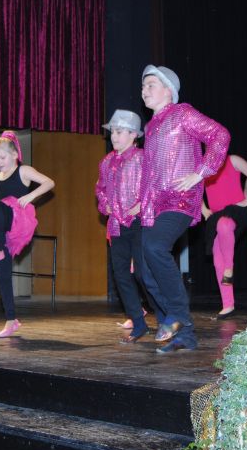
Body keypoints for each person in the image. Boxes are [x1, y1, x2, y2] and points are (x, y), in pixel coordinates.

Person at [139, 64, 230, 353]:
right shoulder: (150, 127)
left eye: (151, 85)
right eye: (143, 86)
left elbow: (220, 135)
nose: (144, 90)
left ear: (169, 91)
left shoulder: (182, 113)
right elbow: (149, 172)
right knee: (144, 270)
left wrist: (201, 172)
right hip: (154, 203)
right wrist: (143, 206)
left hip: (180, 198)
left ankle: (177, 314)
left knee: (155, 246)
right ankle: (184, 334)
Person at [0, 131, 55, 337]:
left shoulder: (23, 171)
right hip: (1, 226)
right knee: (3, 275)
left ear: (14, 155)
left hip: (18, 219)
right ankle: (11, 321)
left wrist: (31, 196)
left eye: (2, 157)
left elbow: (49, 182)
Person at [95, 110, 156, 343]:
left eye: (119, 132)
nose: (114, 136)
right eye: (112, 132)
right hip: (117, 224)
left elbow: (154, 185)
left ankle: (166, 316)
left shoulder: (142, 157)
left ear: (133, 135)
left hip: (139, 222)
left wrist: (142, 204)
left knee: (142, 273)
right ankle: (138, 323)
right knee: (120, 274)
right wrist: (105, 205)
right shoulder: (106, 162)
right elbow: (100, 189)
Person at [202, 153, 247, 319]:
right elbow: (194, 189)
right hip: (216, 215)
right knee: (217, 258)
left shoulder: (233, 160)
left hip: (237, 211)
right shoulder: (203, 167)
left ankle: (229, 267)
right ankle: (228, 304)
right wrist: (204, 209)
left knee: (224, 225)